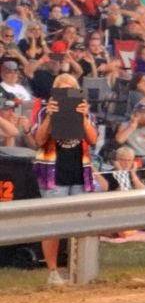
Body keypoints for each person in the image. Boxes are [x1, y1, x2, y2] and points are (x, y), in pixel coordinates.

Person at [32, 73, 97, 285]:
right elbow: (38, 140)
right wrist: (51, 116)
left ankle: (79, 269)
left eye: (71, 90)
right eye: (62, 90)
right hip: (53, 172)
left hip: (79, 170)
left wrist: (84, 117)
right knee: (54, 224)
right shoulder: (44, 111)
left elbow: (93, 139)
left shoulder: (85, 111)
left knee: (81, 222)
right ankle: (53, 272)